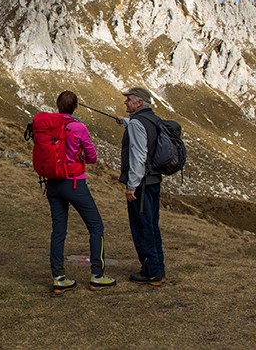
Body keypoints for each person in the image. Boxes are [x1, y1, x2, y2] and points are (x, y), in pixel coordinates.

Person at [46, 90, 116, 293]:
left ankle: (59, 278)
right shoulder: (78, 127)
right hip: (74, 183)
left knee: (58, 231)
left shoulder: (49, 126)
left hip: (53, 183)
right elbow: (92, 156)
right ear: (75, 107)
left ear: (58, 106)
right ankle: (97, 275)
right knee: (96, 227)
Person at [115, 86, 166, 286]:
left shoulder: (137, 123)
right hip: (153, 181)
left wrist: (131, 186)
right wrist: (126, 122)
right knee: (152, 225)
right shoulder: (152, 119)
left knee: (141, 226)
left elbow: (138, 155)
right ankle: (157, 268)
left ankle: (151, 272)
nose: (125, 103)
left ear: (138, 103)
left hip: (141, 184)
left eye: (128, 100)